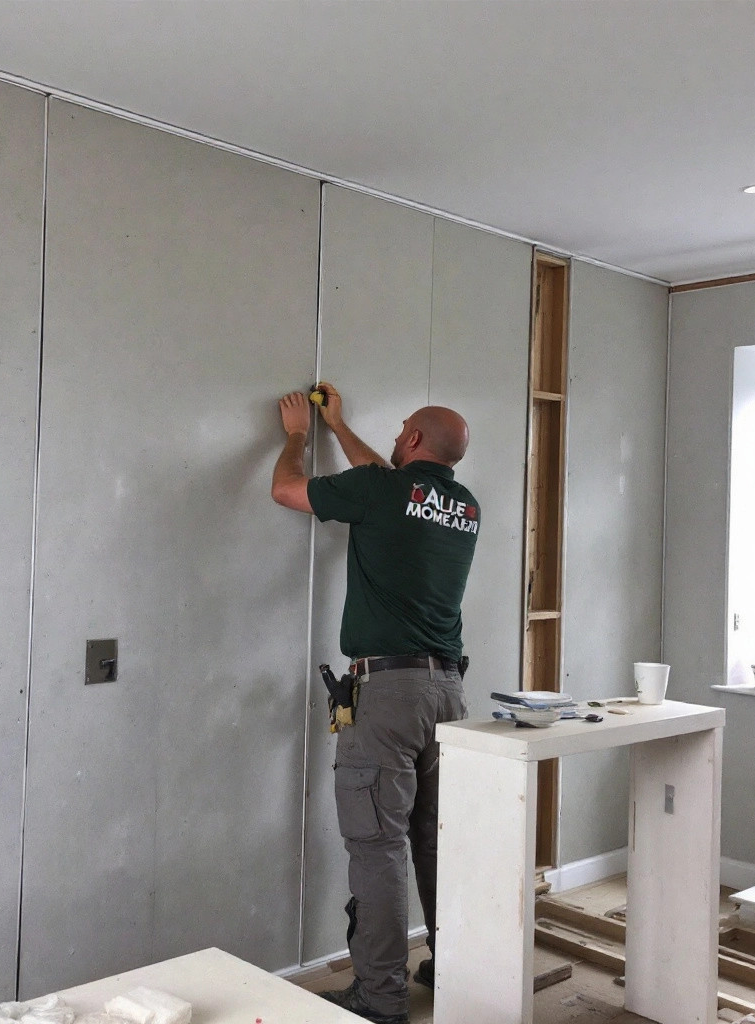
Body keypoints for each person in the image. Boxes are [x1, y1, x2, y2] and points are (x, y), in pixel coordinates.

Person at [272, 382, 481, 1024]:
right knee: (436, 840)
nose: (391, 438)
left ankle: (381, 996)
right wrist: (340, 425)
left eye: (399, 430)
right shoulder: (463, 505)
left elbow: (286, 490)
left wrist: (299, 436)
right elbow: (388, 482)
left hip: (388, 695)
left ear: (412, 439)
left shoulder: (381, 491)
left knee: (378, 843)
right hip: (448, 695)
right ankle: (456, 968)